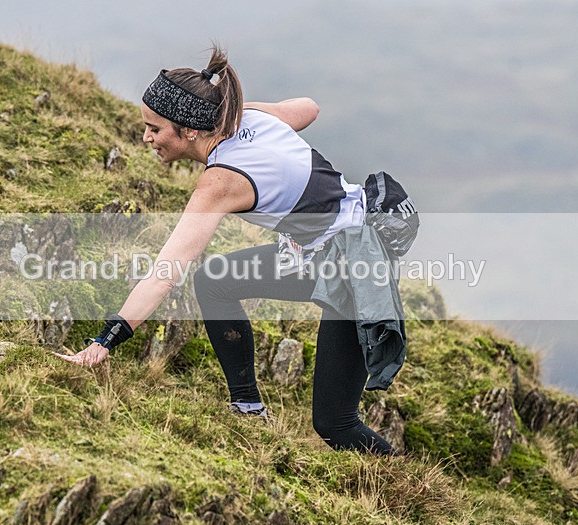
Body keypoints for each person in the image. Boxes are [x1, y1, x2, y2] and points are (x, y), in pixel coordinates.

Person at [55, 46, 403, 456]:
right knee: (215, 281)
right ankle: (248, 408)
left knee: (335, 423)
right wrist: (227, 111)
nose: (145, 137)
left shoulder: (221, 181)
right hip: (340, 245)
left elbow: (166, 272)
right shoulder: (252, 120)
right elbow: (308, 108)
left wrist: (104, 342)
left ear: (189, 130)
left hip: (355, 269)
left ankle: (413, 489)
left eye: (154, 128)